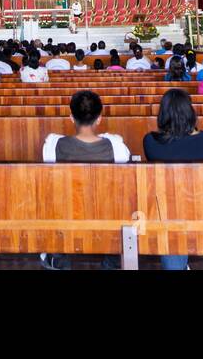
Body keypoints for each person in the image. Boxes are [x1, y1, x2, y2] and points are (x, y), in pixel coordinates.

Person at [40, 90, 130, 270]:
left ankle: (58, 256)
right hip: (106, 218)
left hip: (66, 217)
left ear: (71, 117)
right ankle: (112, 260)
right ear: (99, 118)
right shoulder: (117, 146)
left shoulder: (52, 146)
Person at [143, 88, 203, 270]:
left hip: (167, 210)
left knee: (171, 211)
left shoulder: (151, 142)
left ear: (163, 114)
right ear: (191, 113)